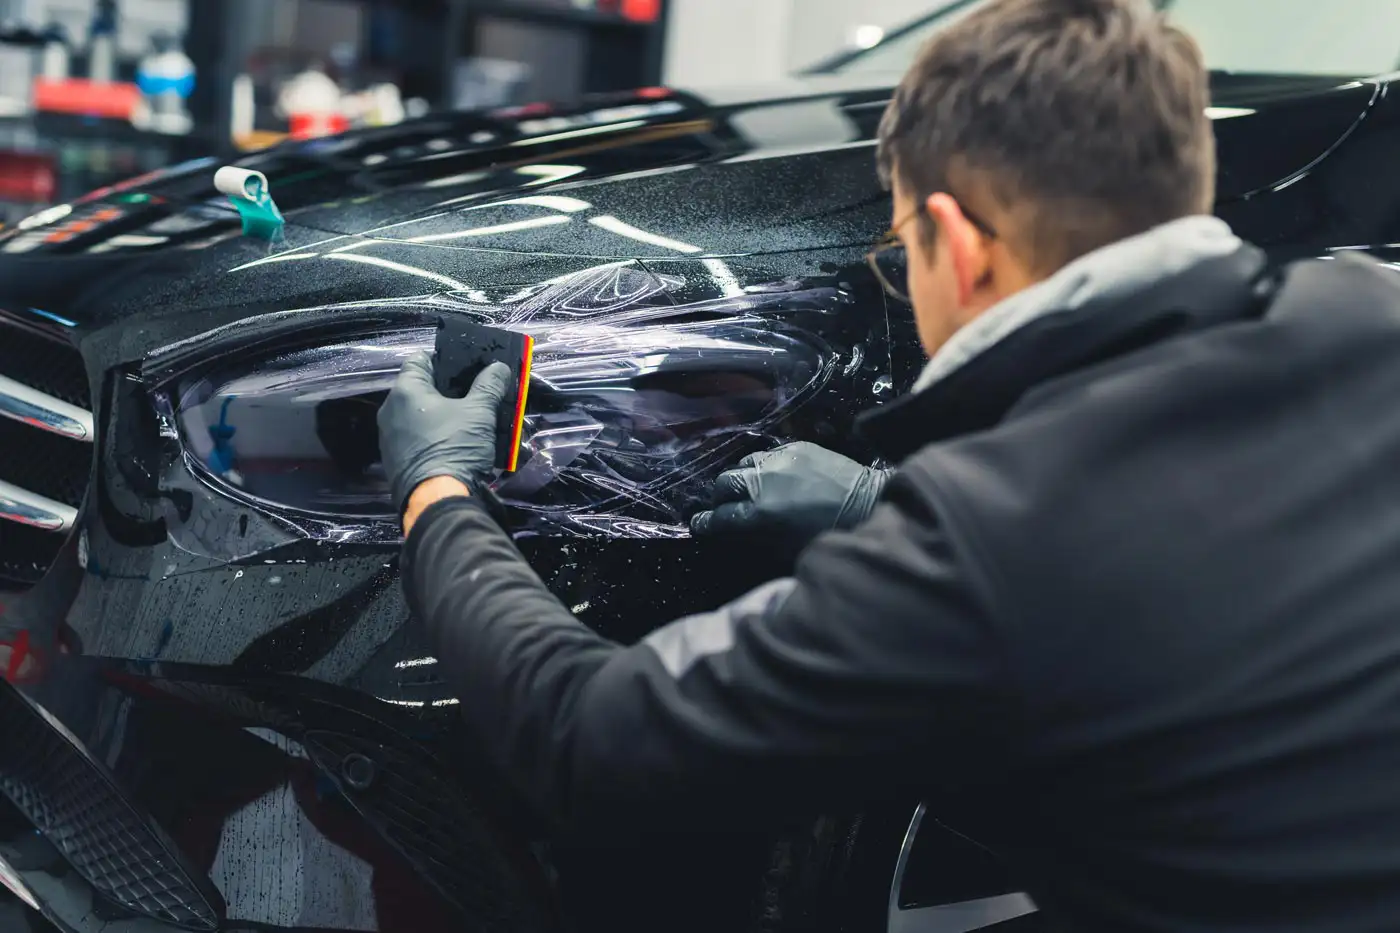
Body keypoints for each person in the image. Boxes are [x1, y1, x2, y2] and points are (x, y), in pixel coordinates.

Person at [376, 0, 1400, 927]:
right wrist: (879, 509)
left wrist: (436, 490)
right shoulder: (1371, 313)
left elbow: (591, 743)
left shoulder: (980, 540)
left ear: (953, 242)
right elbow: (1178, 572)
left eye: (899, 243)